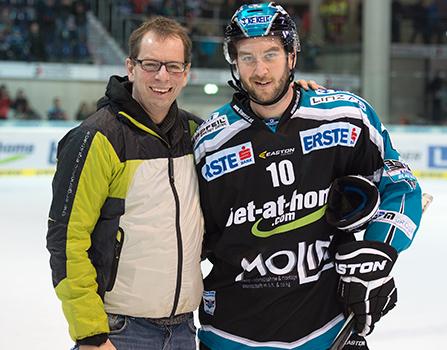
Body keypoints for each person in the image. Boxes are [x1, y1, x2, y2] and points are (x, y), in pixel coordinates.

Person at [193, 3, 423, 350]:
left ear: (292, 55)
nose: (260, 70)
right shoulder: (209, 142)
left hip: (330, 331)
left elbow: (400, 187)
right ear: (234, 62)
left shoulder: (346, 118)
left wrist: (380, 249)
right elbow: (183, 236)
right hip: (230, 336)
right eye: (247, 57)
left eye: (271, 54)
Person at [46, 17, 205, 350]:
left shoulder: (195, 134)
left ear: (186, 73)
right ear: (130, 67)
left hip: (183, 332)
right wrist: (90, 334)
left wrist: (299, 94)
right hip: (119, 333)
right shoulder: (98, 138)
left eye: (173, 67)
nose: (163, 76)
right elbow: (67, 240)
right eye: (151, 65)